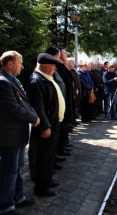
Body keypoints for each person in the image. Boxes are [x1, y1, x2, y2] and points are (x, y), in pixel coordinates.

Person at [0, 51, 40, 214]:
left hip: (18, 134)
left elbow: (24, 101)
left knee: (17, 168)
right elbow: (13, 108)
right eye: (20, 63)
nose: (22, 66)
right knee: (9, 171)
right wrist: (33, 117)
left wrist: (33, 114)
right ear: (10, 64)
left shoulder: (13, 80)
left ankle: (18, 197)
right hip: (9, 136)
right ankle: (5, 205)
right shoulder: (3, 82)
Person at [27, 53, 65, 197]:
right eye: (53, 66)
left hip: (53, 124)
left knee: (49, 157)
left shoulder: (45, 78)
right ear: (44, 66)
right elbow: (38, 107)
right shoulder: (36, 80)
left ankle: (46, 180)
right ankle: (41, 187)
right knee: (43, 157)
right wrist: (45, 126)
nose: (55, 69)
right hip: (46, 127)